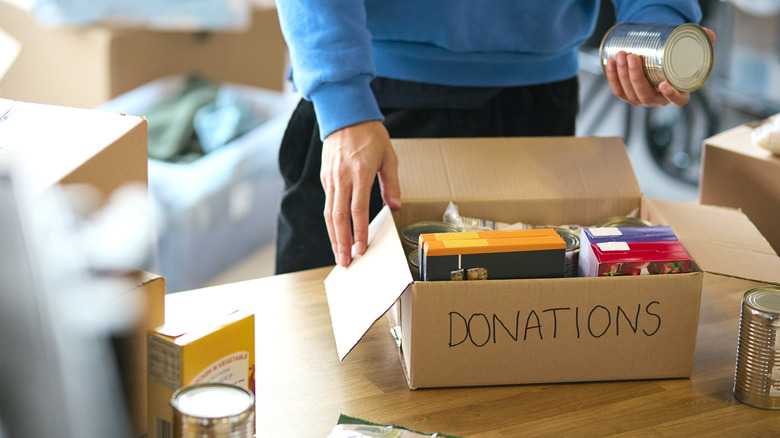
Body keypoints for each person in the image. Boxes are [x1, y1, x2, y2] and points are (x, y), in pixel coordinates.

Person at [273, 0, 716, 274]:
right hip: (372, 103)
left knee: (512, 339)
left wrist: (660, 15)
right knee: (323, 338)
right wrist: (342, 99)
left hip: (536, 100)